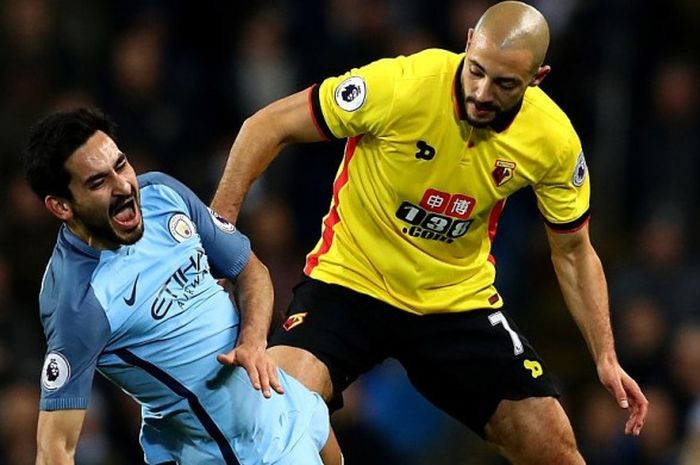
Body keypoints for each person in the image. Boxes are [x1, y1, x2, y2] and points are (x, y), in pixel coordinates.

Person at [211, 1, 649, 463]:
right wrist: (218, 239)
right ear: (466, 44)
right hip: (352, 281)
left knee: (554, 445)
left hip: (455, 300)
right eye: (476, 71)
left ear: (537, 78)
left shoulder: (552, 139)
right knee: (278, 411)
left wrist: (605, 355)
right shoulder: (401, 85)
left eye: (504, 84)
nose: (482, 93)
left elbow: (574, 251)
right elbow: (266, 125)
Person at [25, 108, 343, 465]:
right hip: (238, 451)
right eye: (98, 183)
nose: (124, 186)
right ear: (61, 206)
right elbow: (55, 449)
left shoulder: (162, 194)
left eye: (121, 165)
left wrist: (252, 343)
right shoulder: (78, 303)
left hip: (283, 399)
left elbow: (251, 272)